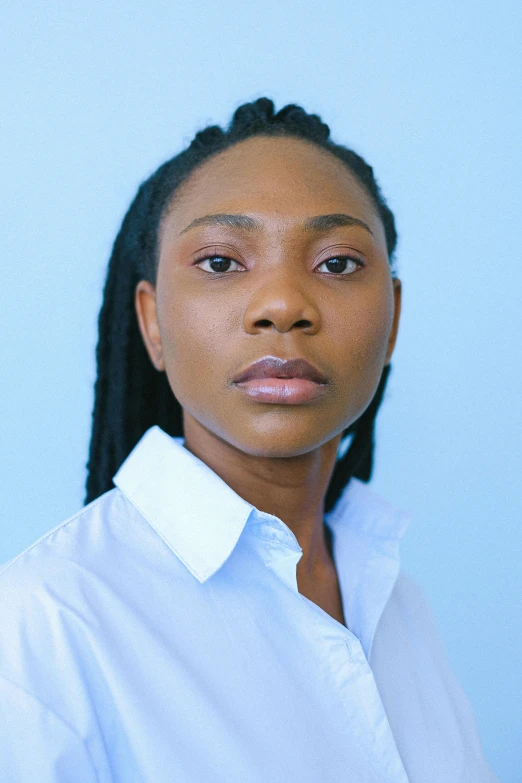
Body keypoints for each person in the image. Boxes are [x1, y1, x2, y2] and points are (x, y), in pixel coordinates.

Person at [0, 98, 498, 782]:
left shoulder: (396, 601)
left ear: (394, 319)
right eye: (220, 261)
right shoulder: (44, 624)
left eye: (338, 263)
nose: (283, 304)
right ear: (151, 322)